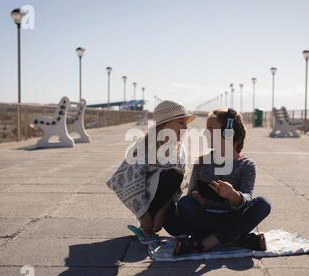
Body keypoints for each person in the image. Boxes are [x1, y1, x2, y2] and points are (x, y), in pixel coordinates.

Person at [174, 108, 271, 256]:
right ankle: (237, 239)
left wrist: (233, 195)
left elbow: (248, 200)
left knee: (263, 203)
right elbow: (191, 197)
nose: (205, 133)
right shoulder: (201, 162)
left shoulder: (246, 165)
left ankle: (205, 243)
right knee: (184, 204)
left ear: (228, 133)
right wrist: (202, 201)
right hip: (209, 219)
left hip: (235, 218)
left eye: (211, 129)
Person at [106, 100, 195, 238]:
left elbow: (174, 187)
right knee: (174, 173)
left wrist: (161, 213)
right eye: (180, 123)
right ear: (164, 125)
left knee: (182, 230)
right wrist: (143, 215)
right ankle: (147, 223)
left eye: (186, 123)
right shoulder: (145, 147)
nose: (186, 128)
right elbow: (125, 182)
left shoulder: (178, 149)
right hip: (146, 201)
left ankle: (153, 221)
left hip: (163, 203)